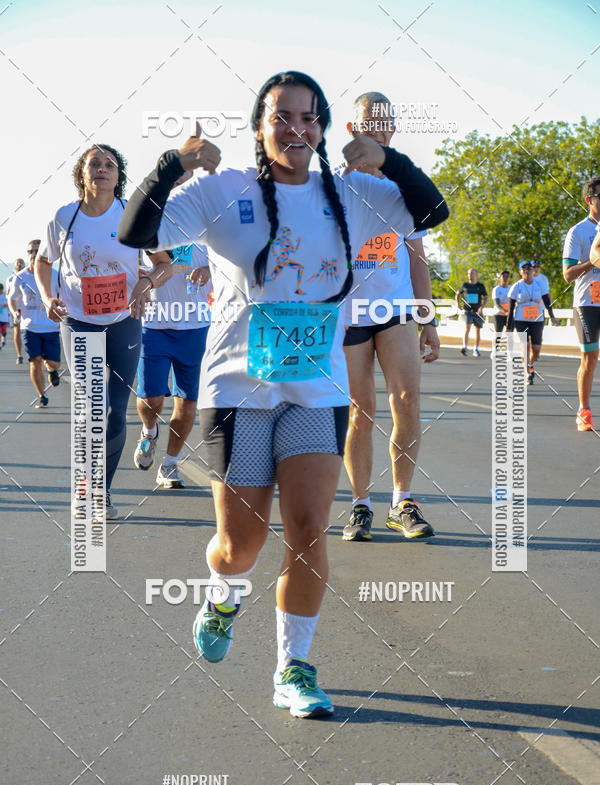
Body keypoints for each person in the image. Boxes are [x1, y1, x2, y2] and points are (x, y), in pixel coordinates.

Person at [119, 71, 448, 718]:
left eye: (308, 117)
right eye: (282, 117)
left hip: (313, 389)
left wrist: (390, 158)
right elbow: (137, 232)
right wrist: (173, 163)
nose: (296, 128)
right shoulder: (222, 191)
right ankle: (221, 594)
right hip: (236, 389)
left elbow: (432, 213)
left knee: (305, 531)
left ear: (322, 127)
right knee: (240, 545)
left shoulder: (352, 193)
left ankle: (292, 668)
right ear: (260, 127)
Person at [35, 144, 172, 517]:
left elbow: (164, 264)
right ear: (81, 173)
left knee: (115, 411)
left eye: (109, 164)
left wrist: (147, 284)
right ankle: (84, 489)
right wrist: (48, 296)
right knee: (92, 407)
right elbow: (43, 262)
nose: (101, 168)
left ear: (118, 175)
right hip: (78, 321)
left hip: (123, 322)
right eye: (93, 163)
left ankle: (102, 491)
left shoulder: (131, 215)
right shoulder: (64, 217)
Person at [341, 92, 440, 543]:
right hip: (349, 312)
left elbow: (417, 257)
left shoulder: (405, 189)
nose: (377, 129)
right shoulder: (334, 186)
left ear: (393, 131)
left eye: (385, 123)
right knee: (361, 410)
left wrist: (429, 319)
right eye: (368, 122)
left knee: (407, 397)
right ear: (352, 129)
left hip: (396, 307)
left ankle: (403, 501)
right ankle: (360, 505)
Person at [134, 173, 212, 489]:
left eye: (185, 181)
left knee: (187, 402)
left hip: (196, 325)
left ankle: (169, 464)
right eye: (174, 180)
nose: (179, 186)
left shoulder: (209, 224)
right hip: (155, 323)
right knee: (151, 399)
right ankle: (149, 431)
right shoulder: (146, 222)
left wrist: (209, 270)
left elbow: (227, 266)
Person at [7, 240, 61, 408]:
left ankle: (52, 370)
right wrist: (15, 312)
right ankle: (42, 395)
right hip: (29, 327)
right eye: (30, 251)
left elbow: (64, 297)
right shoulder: (20, 277)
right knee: (35, 361)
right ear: (27, 253)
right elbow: (12, 299)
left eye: (37, 251)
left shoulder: (55, 274)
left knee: (53, 363)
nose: (33, 254)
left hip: (51, 326)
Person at [565, 180, 600, 431]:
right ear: (589, 200)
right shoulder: (578, 232)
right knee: (590, 358)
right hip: (587, 302)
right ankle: (583, 410)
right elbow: (567, 274)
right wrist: (592, 261)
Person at [507, 260, 558, 385]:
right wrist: (509, 327)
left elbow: (547, 302)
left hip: (537, 319)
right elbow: (511, 308)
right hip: (521, 320)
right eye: (524, 269)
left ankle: (530, 364)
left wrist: (552, 317)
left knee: (536, 350)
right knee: (525, 346)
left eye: (529, 268)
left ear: (532, 271)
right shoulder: (516, 287)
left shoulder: (540, 284)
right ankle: (527, 374)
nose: (527, 270)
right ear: (520, 272)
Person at [456, 268, 487, 356]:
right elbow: (458, 293)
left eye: (472, 273)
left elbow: (486, 296)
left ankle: (476, 349)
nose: (470, 275)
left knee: (477, 330)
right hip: (468, 310)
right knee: (467, 328)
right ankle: (465, 347)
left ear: (476, 275)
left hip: (477, 311)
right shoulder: (465, 285)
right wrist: (458, 304)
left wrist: (482, 307)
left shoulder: (480, 286)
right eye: (469, 273)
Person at [6, 258, 25, 363]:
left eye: (21, 262)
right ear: (14, 265)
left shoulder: (28, 276)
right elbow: (8, 295)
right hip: (16, 309)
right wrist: (13, 311)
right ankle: (19, 355)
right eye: (17, 262)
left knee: (31, 331)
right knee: (17, 330)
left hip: (28, 308)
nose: (19, 263)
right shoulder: (10, 279)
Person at [491, 270, 510, 354]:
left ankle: (510, 351)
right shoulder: (496, 289)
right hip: (499, 314)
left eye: (507, 276)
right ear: (500, 278)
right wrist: (505, 311)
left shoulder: (511, 288)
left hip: (508, 315)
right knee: (498, 333)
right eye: (503, 276)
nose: (505, 278)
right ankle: (495, 350)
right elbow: (497, 304)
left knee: (510, 333)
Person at [0, 284, 8, 349]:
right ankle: (0, 345)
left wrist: (6, 305)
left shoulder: (6, 294)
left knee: (3, 331)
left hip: (5, 318)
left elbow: (9, 303)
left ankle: (3, 340)